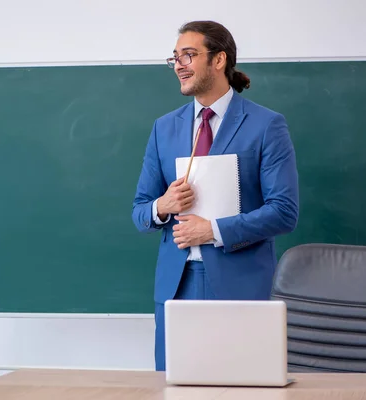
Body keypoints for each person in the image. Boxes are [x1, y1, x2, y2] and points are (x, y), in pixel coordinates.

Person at [131, 20, 299, 371]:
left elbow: (284, 211)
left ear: (219, 60)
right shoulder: (165, 128)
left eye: (189, 55)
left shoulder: (266, 125)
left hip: (241, 283)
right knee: (175, 387)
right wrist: (162, 206)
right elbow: (140, 211)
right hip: (176, 287)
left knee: (241, 385)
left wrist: (213, 231)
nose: (179, 64)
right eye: (175, 57)